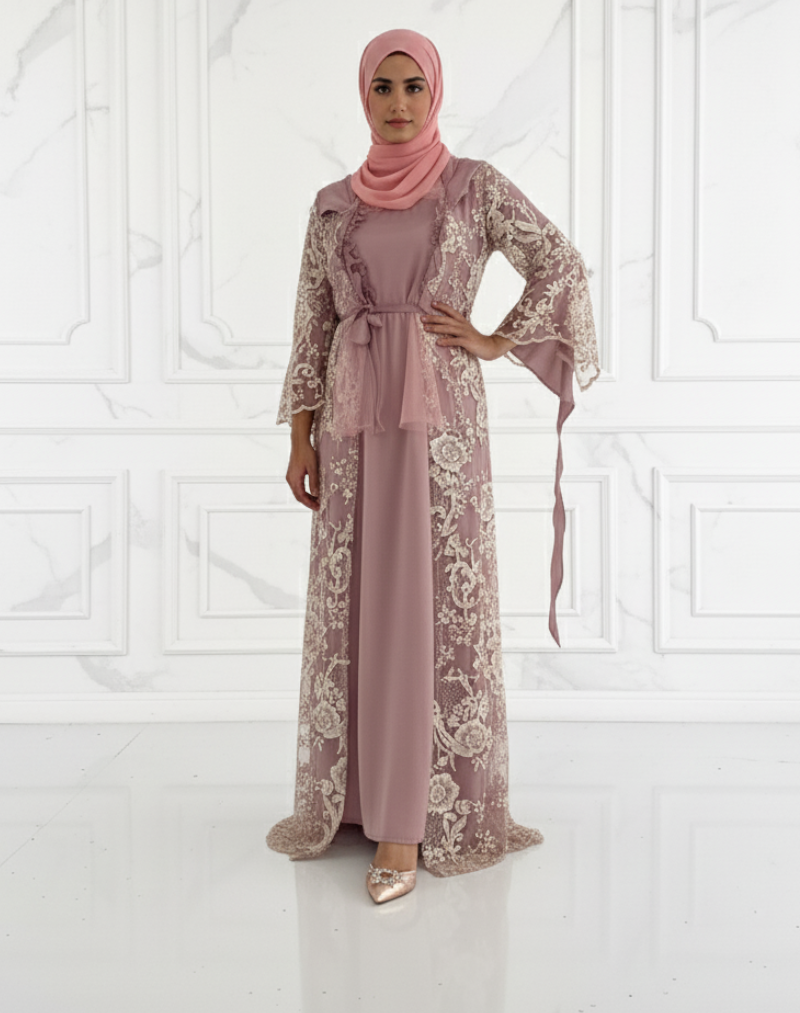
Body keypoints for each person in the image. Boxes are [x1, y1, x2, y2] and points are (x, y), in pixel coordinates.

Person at [266, 28, 600, 904]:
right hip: (351, 425)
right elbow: (312, 322)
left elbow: (560, 261)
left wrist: (494, 338)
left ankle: (407, 822)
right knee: (360, 605)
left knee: (426, 605)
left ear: (436, 93)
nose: (400, 103)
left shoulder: (472, 187)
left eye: (414, 86)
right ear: (363, 96)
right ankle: (358, 798)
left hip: (440, 426)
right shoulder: (332, 205)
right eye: (383, 87)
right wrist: (300, 435)